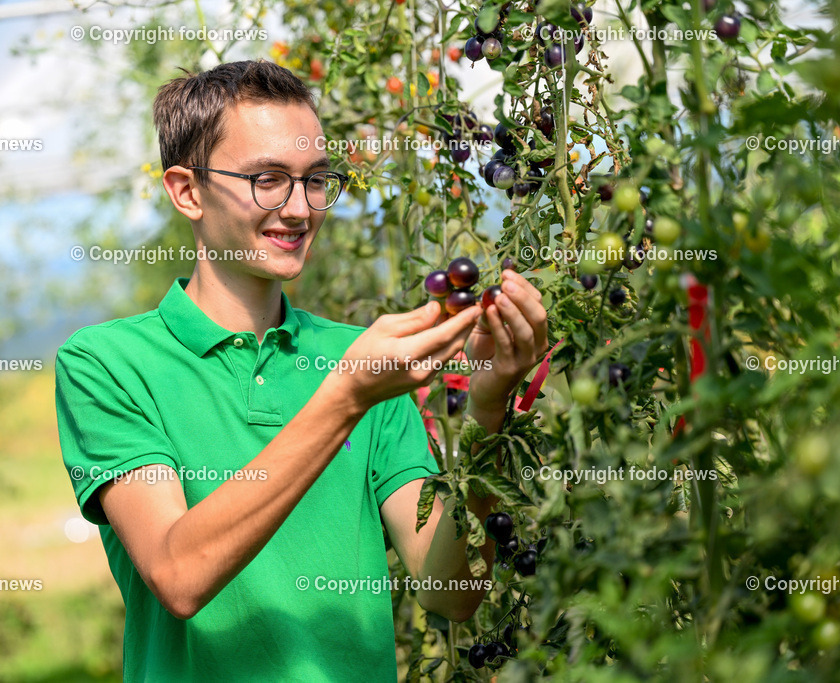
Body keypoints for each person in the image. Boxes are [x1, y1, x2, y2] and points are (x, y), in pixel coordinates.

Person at [54, 59, 549, 681]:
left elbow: (451, 590)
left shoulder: (367, 361)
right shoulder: (108, 363)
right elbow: (178, 575)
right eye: (268, 179)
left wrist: (487, 412)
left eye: (316, 181)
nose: (299, 209)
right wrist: (344, 398)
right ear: (187, 191)